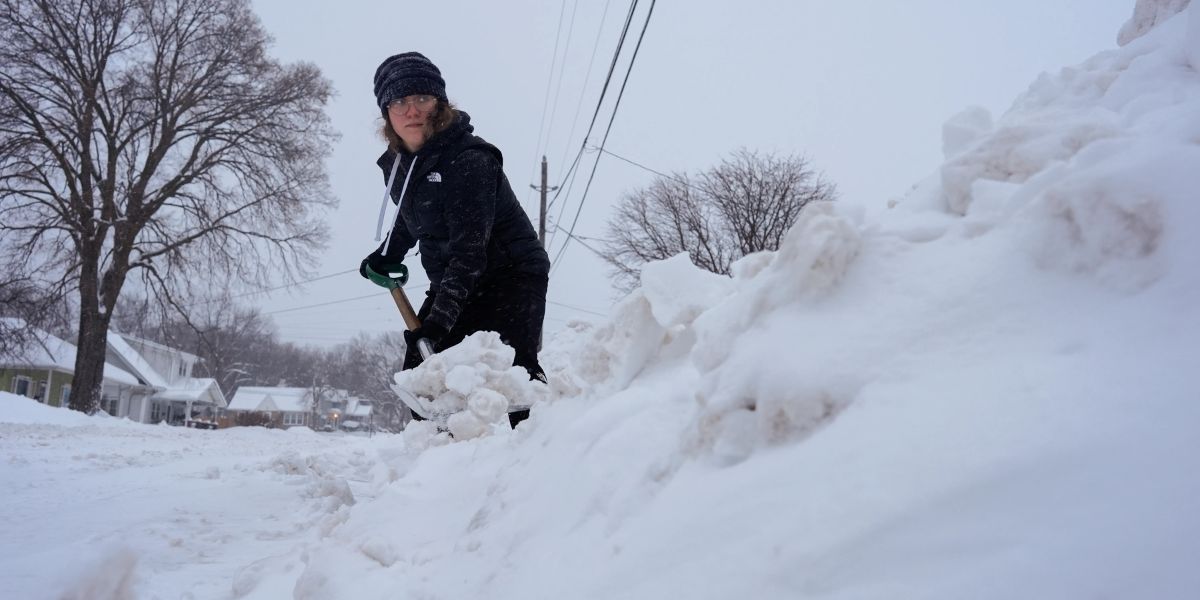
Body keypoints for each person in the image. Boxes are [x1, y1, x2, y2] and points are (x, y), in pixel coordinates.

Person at [360, 51, 551, 396]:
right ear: (386, 112)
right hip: (455, 277)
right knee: (424, 377)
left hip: (511, 275)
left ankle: (541, 440)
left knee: (512, 375)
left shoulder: (469, 161)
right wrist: (388, 253)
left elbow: (469, 251)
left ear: (440, 103)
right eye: (400, 100)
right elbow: (411, 214)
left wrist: (438, 322)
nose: (412, 110)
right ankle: (439, 448)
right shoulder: (397, 163)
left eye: (422, 97)